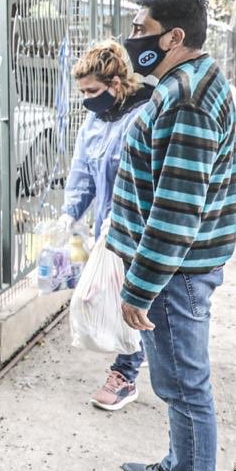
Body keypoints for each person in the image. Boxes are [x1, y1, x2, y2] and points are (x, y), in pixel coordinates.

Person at [108, 0, 236, 471]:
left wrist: (140, 286)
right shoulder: (185, 83)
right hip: (177, 267)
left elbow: (177, 209)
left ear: (174, 36)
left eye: (141, 29)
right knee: (176, 383)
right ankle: (177, 467)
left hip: (174, 273)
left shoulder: (186, 99)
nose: (132, 38)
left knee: (185, 386)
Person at [58, 41, 154, 411]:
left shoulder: (142, 116)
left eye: (93, 91)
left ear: (116, 83)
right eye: (82, 93)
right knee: (117, 301)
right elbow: (83, 170)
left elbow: (146, 176)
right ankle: (135, 363)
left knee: (136, 302)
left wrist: (126, 215)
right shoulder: (95, 121)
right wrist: (71, 212)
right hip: (108, 230)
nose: (87, 99)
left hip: (140, 230)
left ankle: (126, 374)